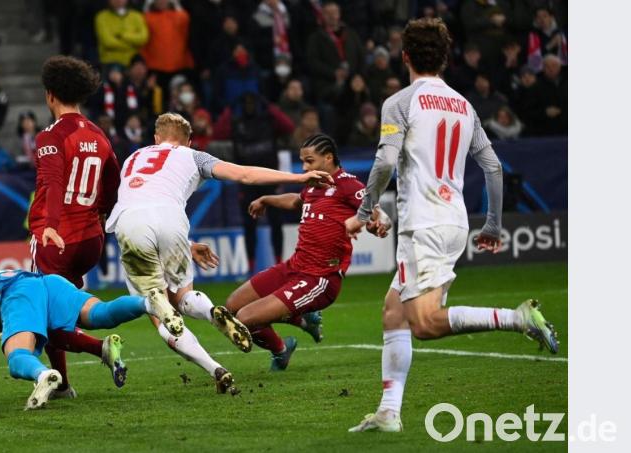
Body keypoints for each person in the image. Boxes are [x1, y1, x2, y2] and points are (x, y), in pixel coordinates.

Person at [343, 18, 559, 433]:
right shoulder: (465, 105)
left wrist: (366, 208)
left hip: (423, 224)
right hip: (452, 221)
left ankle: (516, 319)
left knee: (423, 323)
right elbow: (493, 167)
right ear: (445, 58)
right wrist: (493, 224)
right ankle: (389, 411)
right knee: (394, 312)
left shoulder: (400, 102)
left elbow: (386, 161)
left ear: (404, 56)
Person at [105, 113, 333, 393]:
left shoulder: (133, 157)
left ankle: (216, 368)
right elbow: (245, 175)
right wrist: (299, 177)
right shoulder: (194, 156)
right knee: (183, 297)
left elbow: (139, 203)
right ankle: (212, 312)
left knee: (160, 311)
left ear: (155, 138)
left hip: (129, 223)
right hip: (171, 220)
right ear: (189, 141)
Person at [0, 257, 183, 410]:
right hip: (46, 282)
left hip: (18, 293)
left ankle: (43, 375)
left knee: (17, 358)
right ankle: (148, 304)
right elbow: (57, 336)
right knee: (100, 314)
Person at [226, 133, 371, 371]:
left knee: (245, 319)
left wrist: (372, 222)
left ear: (328, 157)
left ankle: (300, 320)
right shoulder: (313, 184)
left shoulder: (348, 184)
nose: (304, 167)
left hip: (320, 277)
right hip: (294, 267)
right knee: (231, 307)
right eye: (302, 161)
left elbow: (371, 209)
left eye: (309, 161)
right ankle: (283, 349)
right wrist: (267, 199)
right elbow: (296, 201)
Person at [27, 55, 123, 399]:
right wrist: (104, 215)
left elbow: (51, 182)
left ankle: (70, 379)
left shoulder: (50, 136)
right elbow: (113, 182)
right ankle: (71, 377)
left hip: (57, 238)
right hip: (90, 240)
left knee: (47, 312)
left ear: (50, 95)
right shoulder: (99, 135)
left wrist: (50, 225)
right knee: (65, 307)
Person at [212, 92, 295, 271]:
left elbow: (289, 127)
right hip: (247, 182)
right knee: (249, 225)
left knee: (276, 223)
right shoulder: (237, 122)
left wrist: (270, 107)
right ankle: (251, 266)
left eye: (253, 101)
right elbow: (217, 133)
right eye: (246, 102)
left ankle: (280, 262)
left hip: (270, 180)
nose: (249, 105)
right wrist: (229, 109)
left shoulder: (268, 119)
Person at [94, 0, 149, 68]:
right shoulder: (102, 17)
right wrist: (133, 46)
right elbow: (108, 42)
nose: (118, 0)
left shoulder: (136, 16)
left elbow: (143, 38)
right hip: (110, 62)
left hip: (133, 62)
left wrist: (122, 36)